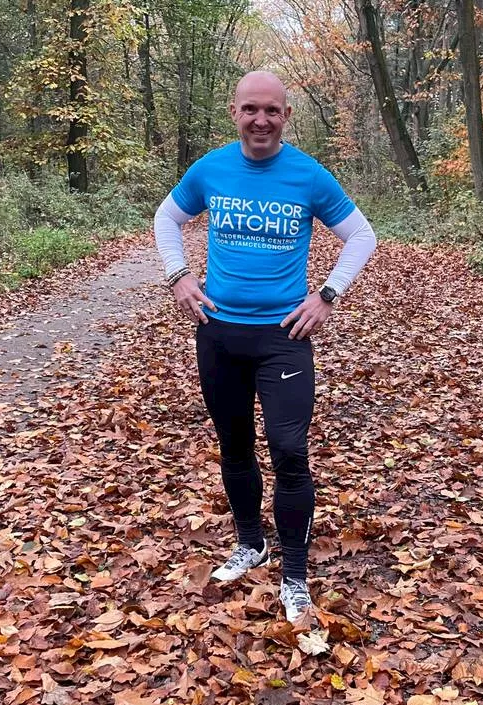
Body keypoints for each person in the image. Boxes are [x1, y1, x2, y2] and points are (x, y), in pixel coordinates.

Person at [152, 71, 377, 622]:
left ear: (286, 116)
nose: (261, 120)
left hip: (284, 338)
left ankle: (295, 574)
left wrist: (326, 296)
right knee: (234, 445)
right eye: (250, 109)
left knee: (290, 451)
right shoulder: (211, 169)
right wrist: (178, 276)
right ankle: (250, 544)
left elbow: (361, 236)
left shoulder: (307, 174)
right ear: (234, 112)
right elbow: (166, 217)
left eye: (271, 111)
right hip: (219, 334)